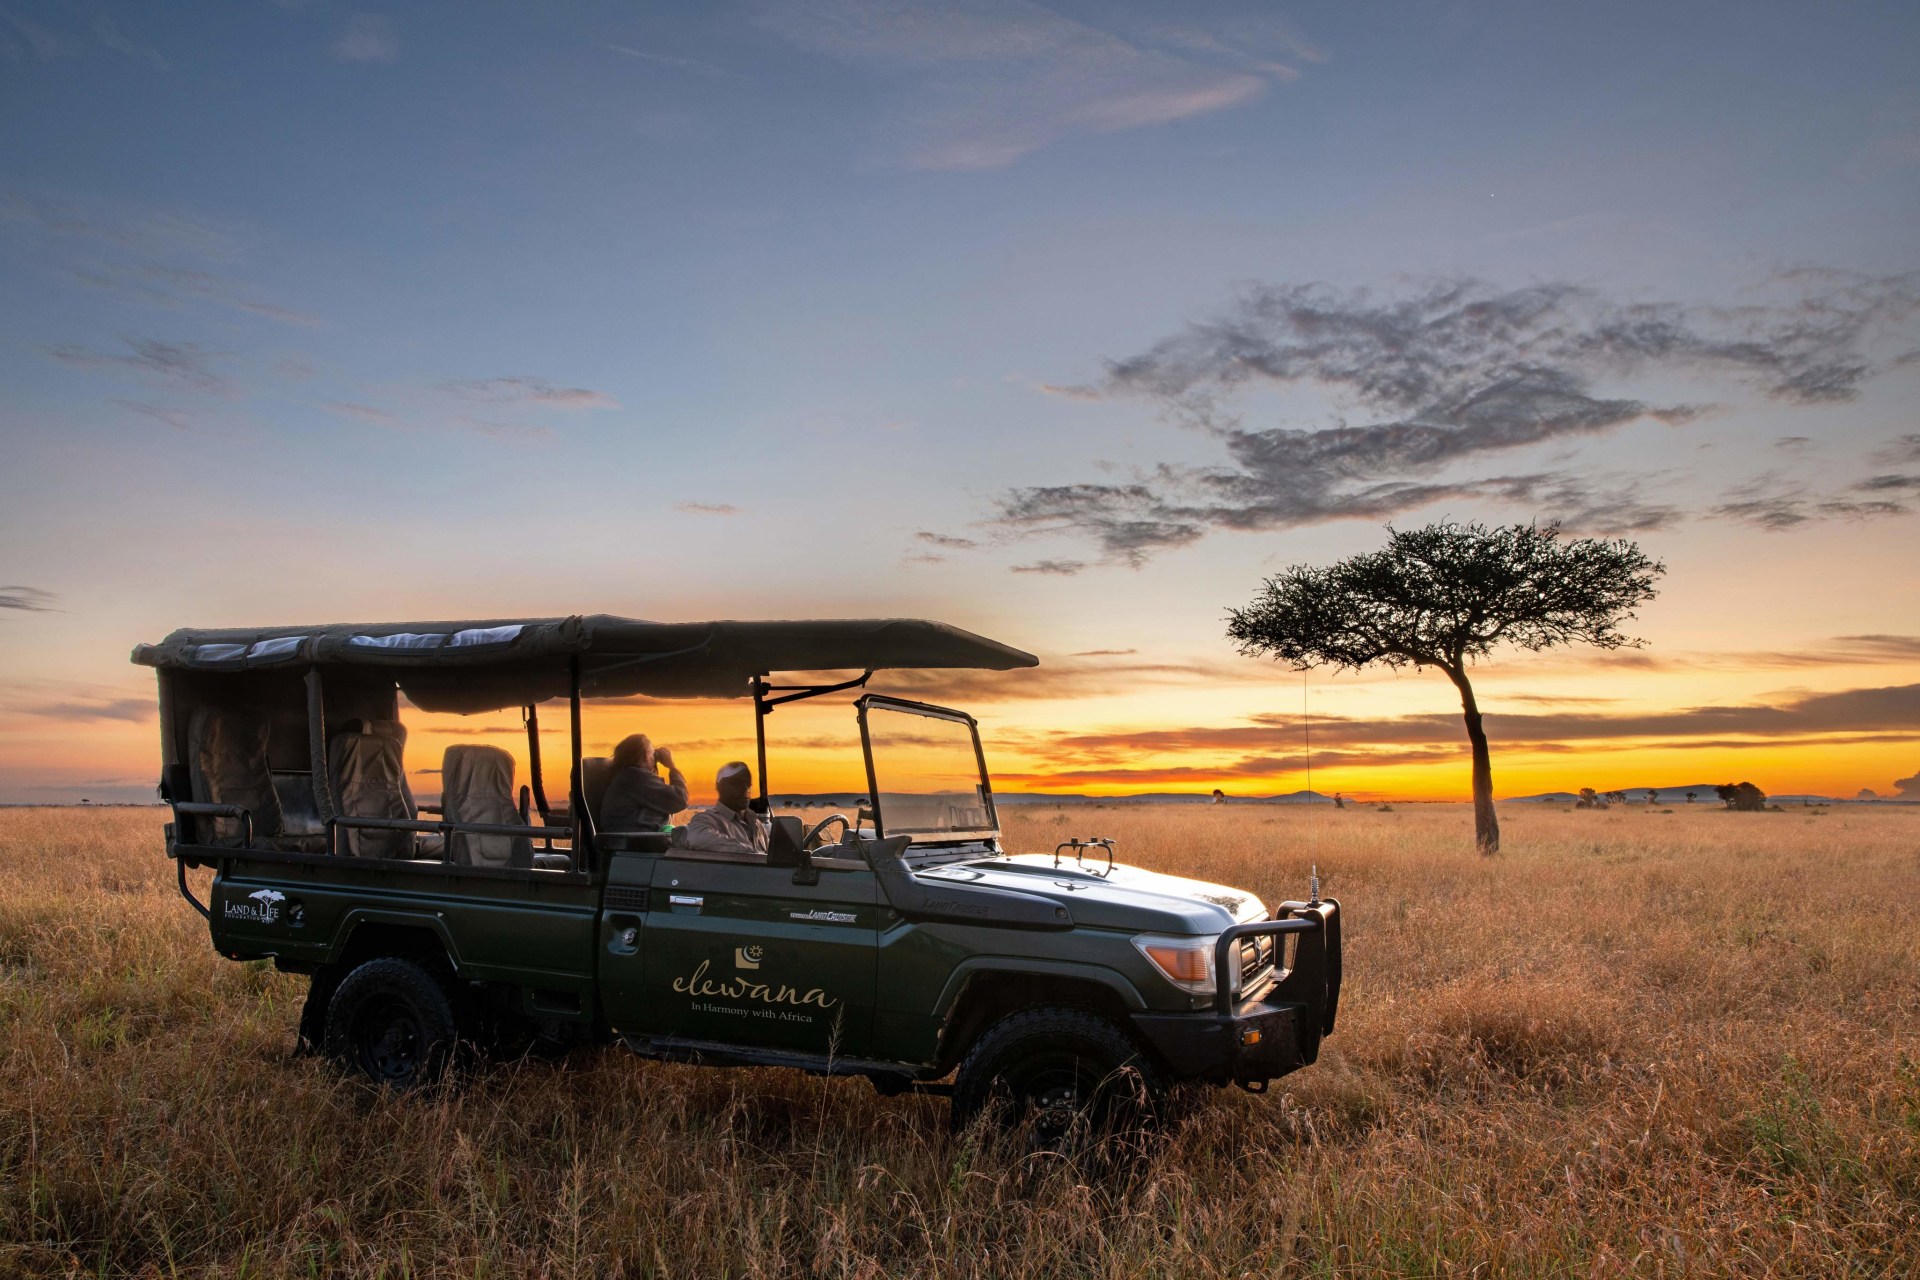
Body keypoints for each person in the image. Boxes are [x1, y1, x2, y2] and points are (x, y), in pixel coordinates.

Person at [598, 734, 689, 833]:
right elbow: (679, 799)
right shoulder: (635, 777)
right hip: (634, 840)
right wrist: (672, 766)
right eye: (652, 753)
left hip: (627, 838)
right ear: (645, 755)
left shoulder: (625, 776)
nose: (654, 758)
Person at [682, 761, 769, 856]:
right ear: (720, 787)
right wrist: (752, 853)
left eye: (748, 784)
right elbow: (697, 838)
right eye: (736, 783)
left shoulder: (755, 823)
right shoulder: (706, 820)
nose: (745, 789)